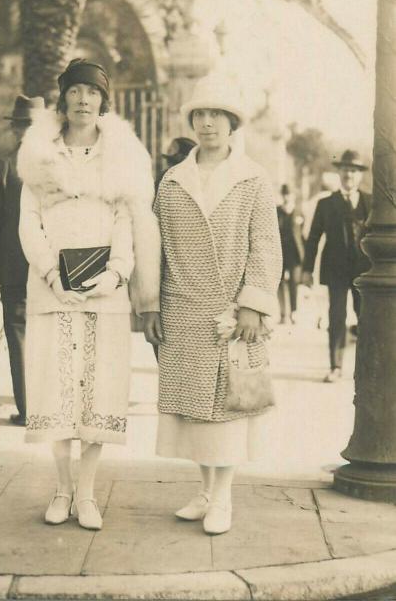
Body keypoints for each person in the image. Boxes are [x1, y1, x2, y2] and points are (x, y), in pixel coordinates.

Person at [17, 58, 159, 531]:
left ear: (103, 101)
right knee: (54, 389)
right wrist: (51, 273)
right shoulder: (38, 152)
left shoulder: (121, 155)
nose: (83, 101)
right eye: (75, 92)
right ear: (63, 98)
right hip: (51, 289)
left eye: (92, 93)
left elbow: (127, 220)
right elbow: (28, 223)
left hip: (105, 293)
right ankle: (61, 488)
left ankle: (88, 493)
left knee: (99, 390)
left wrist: (117, 274)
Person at [143, 74, 282, 536]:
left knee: (228, 408)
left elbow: (264, 243)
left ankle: (223, 498)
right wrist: (151, 305)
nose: (207, 124)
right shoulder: (172, 179)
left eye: (217, 116)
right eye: (200, 115)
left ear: (232, 123)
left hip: (231, 312)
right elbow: (156, 246)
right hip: (182, 306)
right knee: (194, 410)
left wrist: (252, 304)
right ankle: (205, 491)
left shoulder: (252, 178)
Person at [0, 94, 45, 426]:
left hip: (14, 266)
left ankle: (28, 409)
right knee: (49, 334)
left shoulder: (2, 167)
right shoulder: (57, 165)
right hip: (51, 267)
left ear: (17, 129)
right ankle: (50, 408)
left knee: (19, 334)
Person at [301, 149, 372, 382]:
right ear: (339, 173)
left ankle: (366, 368)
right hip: (336, 270)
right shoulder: (326, 204)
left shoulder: (371, 202)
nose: (349, 175)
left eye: (353, 170)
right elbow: (313, 238)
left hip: (365, 272)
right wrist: (306, 270)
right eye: (345, 170)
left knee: (366, 317)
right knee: (336, 317)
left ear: (360, 175)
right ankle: (336, 366)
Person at [277, 184, 305, 325]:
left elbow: (302, 234)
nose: (287, 197)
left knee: (294, 283)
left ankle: (294, 312)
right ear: (282, 196)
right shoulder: (276, 212)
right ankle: (283, 313)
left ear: (293, 196)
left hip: (294, 254)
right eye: (285, 194)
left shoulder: (298, 212)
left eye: (289, 194)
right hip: (280, 253)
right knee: (279, 282)